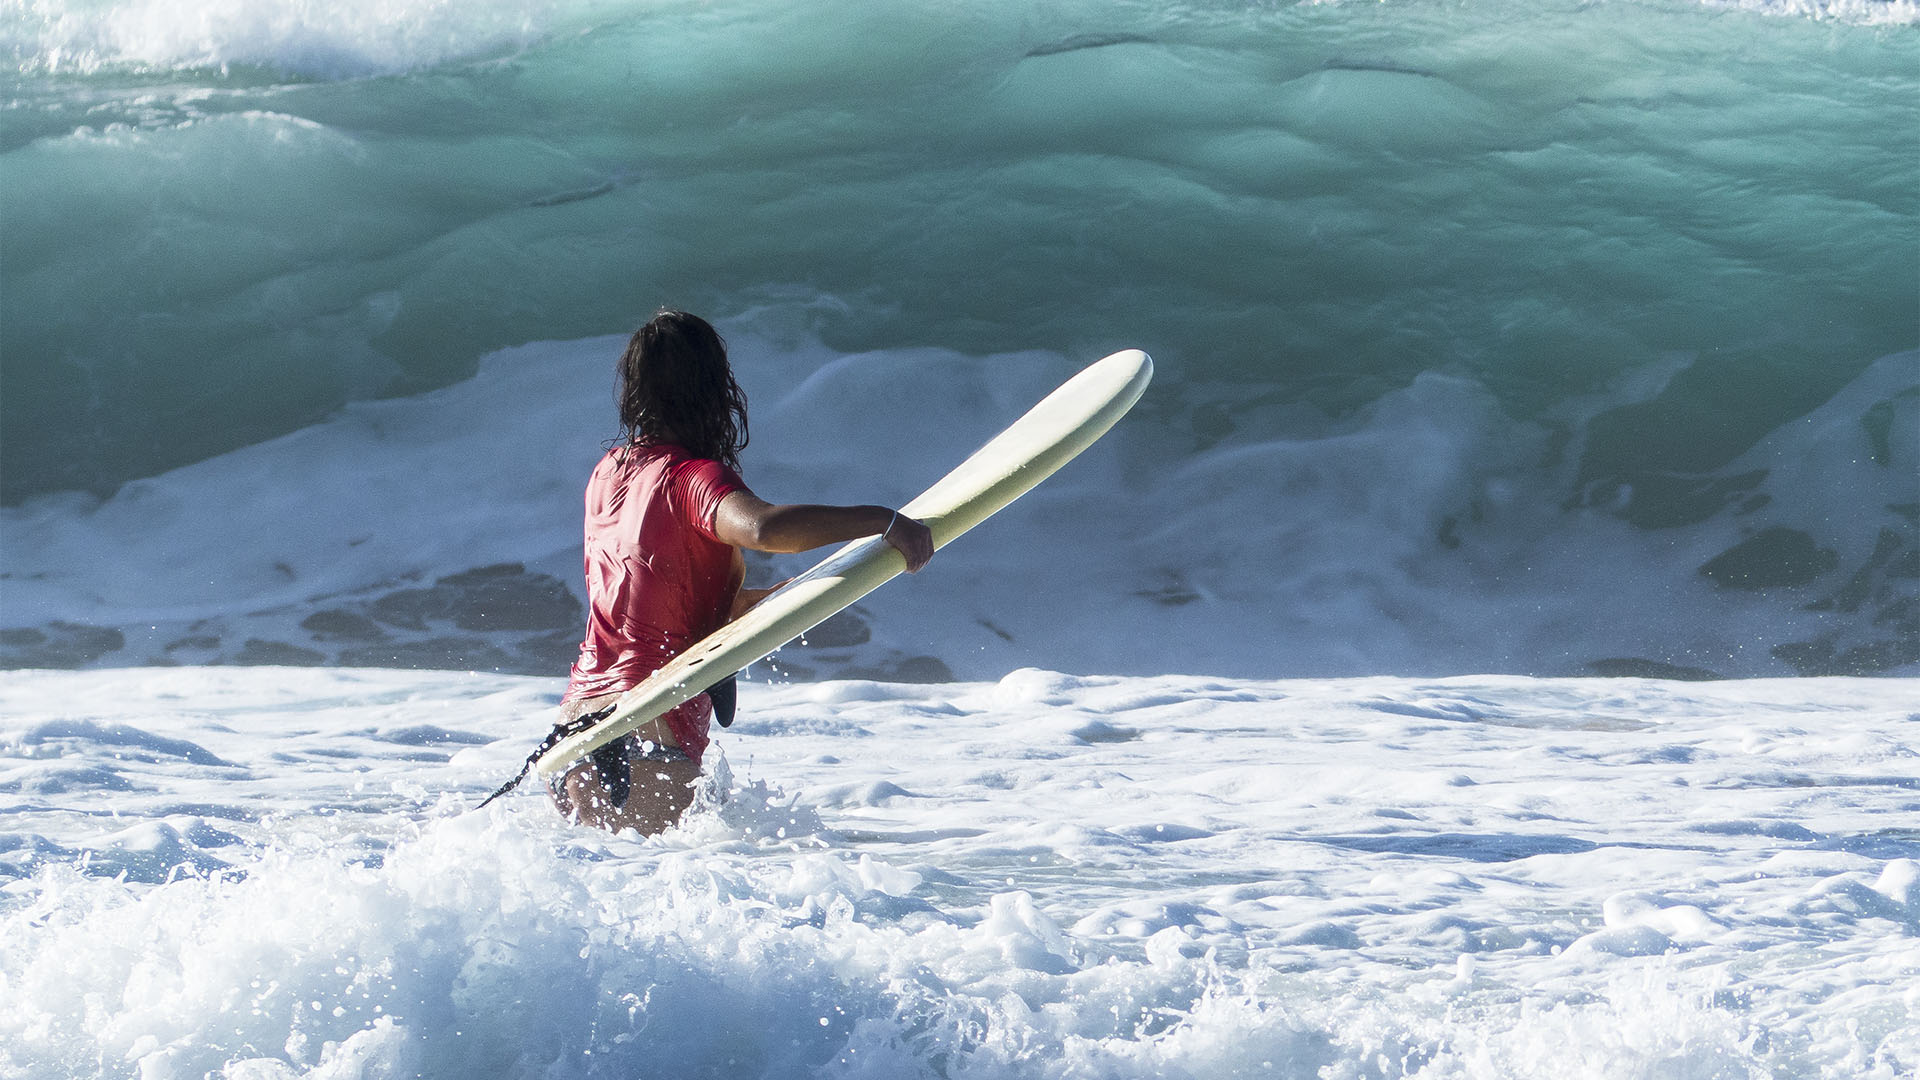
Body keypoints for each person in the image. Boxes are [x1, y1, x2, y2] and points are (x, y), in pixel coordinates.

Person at [549, 310, 934, 835]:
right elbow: (764, 529)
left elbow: (642, 594)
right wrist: (881, 520)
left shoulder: (607, 473)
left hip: (574, 730)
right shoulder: (690, 478)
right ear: (714, 388)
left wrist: (746, 605)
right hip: (646, 728)